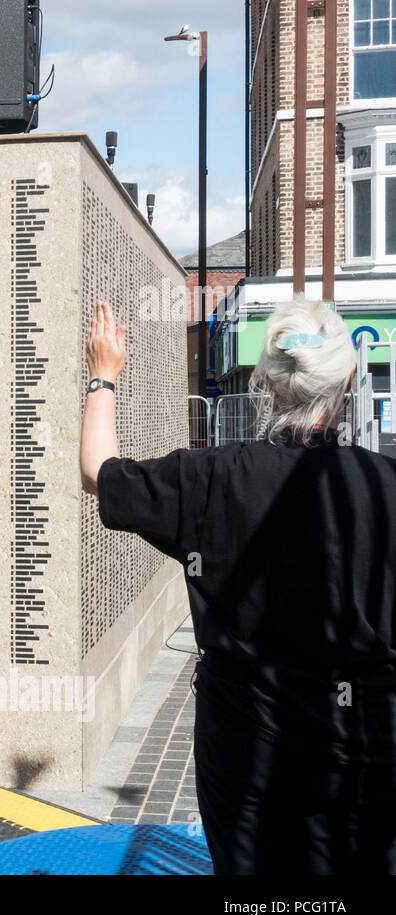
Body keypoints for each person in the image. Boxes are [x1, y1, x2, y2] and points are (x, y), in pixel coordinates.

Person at [83, 297, 396, 874]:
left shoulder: (211, 475)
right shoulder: (384, 486)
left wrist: (103, 375)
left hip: (246, 741)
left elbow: (99, 474)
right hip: (364, 738)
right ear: (349, 382)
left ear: (267, 386)